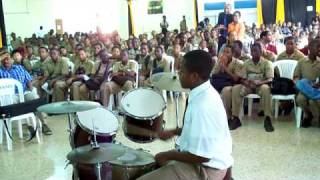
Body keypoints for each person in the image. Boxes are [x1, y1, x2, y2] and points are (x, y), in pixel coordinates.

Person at [137, 50, 233, 180]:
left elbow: (202, 156)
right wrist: (174, 132)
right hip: (205, 162)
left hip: (206, 169)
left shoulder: (202, 105)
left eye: (181, 72)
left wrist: (168, 155)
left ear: (194, 76)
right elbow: (201, 130)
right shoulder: (206, 92)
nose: (178, 74)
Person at [0, 50, 52, 135]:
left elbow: (28, 80)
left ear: (11, 59)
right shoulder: (0, 71)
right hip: (11, 96)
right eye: (3, 59)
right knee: (17, 105)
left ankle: (44, 124)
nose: (6, 61)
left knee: (34, 97)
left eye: (8, 58)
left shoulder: (19, 68)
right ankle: (29, 125)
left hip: (24, 92)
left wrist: (31, 89)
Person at [230, 43, 274, 132]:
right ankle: (236, 118)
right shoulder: (246, 63)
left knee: (266, 89)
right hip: (248, 85)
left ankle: (267, 118)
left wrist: (260, 82)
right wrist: (247, 83)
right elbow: (242, 78)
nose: (253, 53)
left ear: (261, 52)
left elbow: (270, 79)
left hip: (260, 86)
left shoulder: (267, 63)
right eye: (252, 51)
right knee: (235, 88)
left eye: (255, 51)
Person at [294, 39, 320, 128]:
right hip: (305, 88)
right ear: (310, 48)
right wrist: (300, 84)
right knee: (300, 99)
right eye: (318, 47)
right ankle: (308, 115)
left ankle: (317, 117)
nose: (319, 49)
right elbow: (296, 77)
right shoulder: (302, 62)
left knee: (314, 101)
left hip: (318, 88)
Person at [212, 45, 243, 120]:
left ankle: (228, 116)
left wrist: (225, 68)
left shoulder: (238, 63)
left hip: (234, 85)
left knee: (226, 90)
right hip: (220, 83)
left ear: (232, 54)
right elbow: (213, 74)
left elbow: (236, 79)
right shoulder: (220, 61)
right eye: (224, 52)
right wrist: (221, 66)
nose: (225, 54)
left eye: (228, 52)